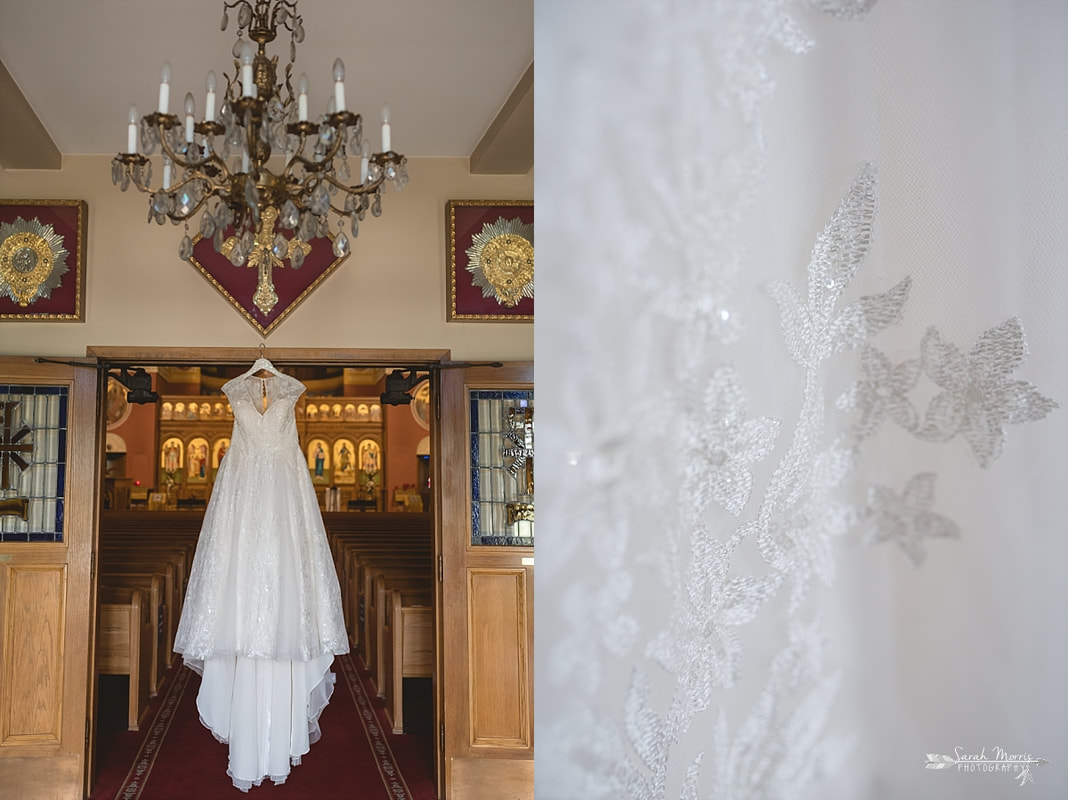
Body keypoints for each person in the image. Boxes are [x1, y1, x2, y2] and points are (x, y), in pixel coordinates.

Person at [173, 358, 348, 791]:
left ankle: (277, 742)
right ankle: (252, 745)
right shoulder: (235, 393)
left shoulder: (291, 392)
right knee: (243, 608)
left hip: (286, 508)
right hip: (244, 509)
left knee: (285, 611)